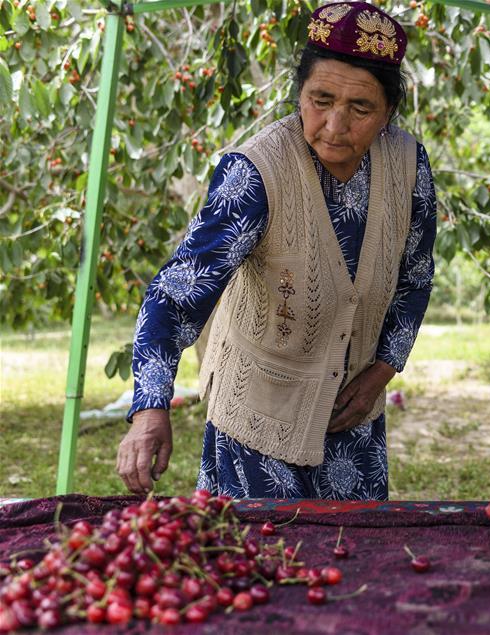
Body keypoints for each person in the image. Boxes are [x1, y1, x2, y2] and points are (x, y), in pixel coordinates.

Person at [117, 2, 437, 501]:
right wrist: (150, 408)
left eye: (360, 108)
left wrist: (381, 372)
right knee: (262, 564)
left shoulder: (408, 163)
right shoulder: (254, 173)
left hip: (353, 422)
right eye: (321, 99)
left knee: (356, 565)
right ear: (299, 94)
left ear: (389, 112)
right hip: (257, 421)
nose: (334, 125)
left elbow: (415, 277)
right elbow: (175, 296)